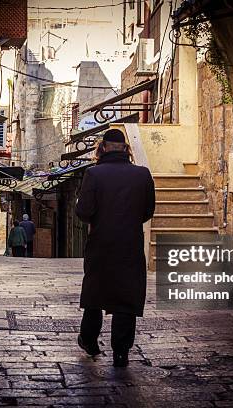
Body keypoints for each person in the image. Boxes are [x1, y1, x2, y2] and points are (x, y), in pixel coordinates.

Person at [75, 128, 155, 367]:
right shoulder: (142, 175)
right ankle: (121, 351)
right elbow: (147, 212)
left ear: (103, 148)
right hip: (129, 243)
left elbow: (84, 212)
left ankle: (89, 340)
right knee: (126, 295)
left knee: (95, 293)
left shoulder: (94, 174)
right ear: (125, 148)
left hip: (100, 243)